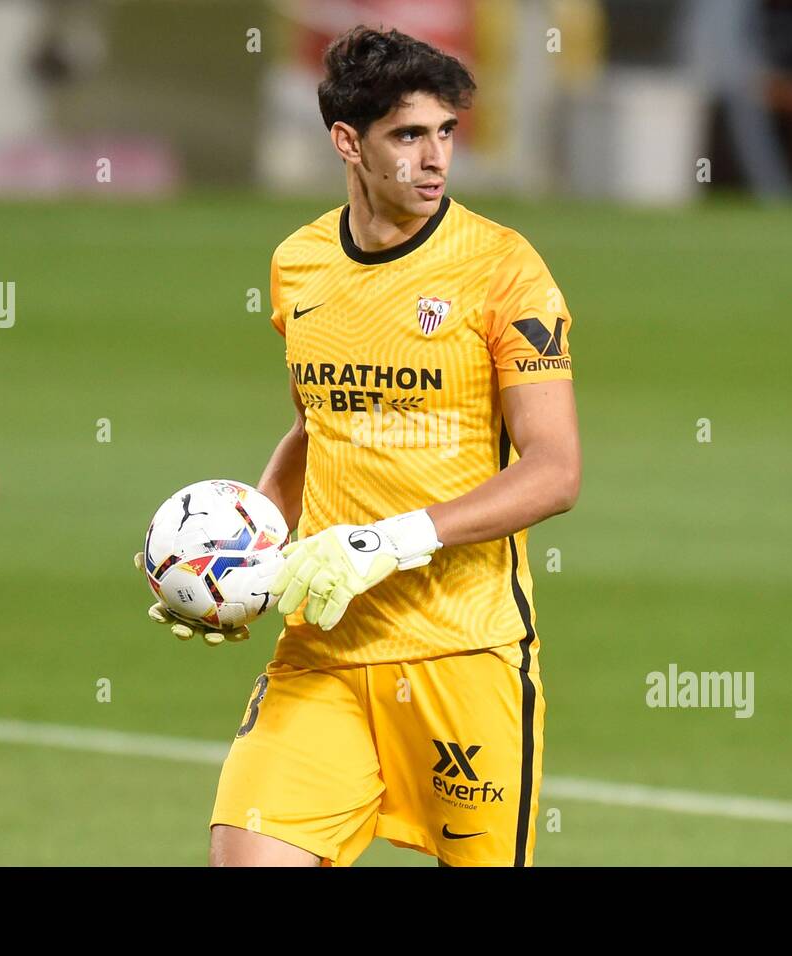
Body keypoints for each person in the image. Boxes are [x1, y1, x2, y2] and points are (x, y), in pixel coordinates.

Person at [141, 26, 581, 866]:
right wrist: (237, 560)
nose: (435, 158)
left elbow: (555, 471)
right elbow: (319, 424)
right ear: (347, 140)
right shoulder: (300, 265)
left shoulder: (503, 269)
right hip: (325, 649)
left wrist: (386, 542)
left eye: (446, 132)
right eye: (408, 135)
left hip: (464, 650)